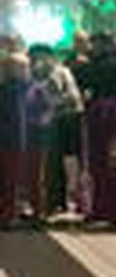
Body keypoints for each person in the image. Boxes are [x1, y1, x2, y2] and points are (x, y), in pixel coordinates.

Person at [26, 45, 84, 215]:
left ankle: (59, 200)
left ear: (48, 57)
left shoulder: (59, 73)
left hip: (65, 121)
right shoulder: (39, 75)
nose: (36, 62)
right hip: (52, 122)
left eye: (38, 57)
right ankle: (56, 200)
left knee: (58, 162)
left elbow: (71, 97)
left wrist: (51, 103)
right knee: (54, 162)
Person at [0, 44, 29, 224]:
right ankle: (8, 213)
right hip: (12, 137)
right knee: (9, 178)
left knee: (8, 178)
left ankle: (8, 213)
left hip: (9, 137)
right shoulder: (17, 89)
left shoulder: (11, 88)